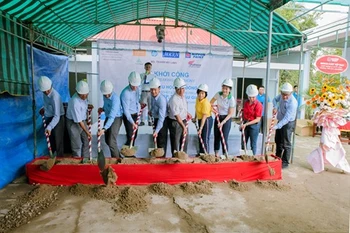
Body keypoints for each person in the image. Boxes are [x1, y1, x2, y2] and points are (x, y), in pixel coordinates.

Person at [38, 76, 65, 157]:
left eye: (48, 90)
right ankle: (53, 158)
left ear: (51, 86)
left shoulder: (55, 96)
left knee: (58, 140)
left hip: (58, 118)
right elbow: (47, 105)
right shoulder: (45, 93)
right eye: (44, 91)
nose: (46, 92)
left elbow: (57, 116)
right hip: (50, 117)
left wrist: (49, 127)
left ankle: (60, 159)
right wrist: (43, 109)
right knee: (51, 140)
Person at [272, 82, 298, 169]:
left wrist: (276, 126)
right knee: (278, 140)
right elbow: (274, 100)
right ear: (281, 92)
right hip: (280, 120)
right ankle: (277, 157)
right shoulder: (280, 96)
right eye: (283, 95)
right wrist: (275, 107)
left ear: (291, 93)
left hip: (288, 123)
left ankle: (285, 162)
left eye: (287, 95)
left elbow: (287, 119)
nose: (285, 97)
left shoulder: (293, 103)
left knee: (286, 142)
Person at [66, 80, 93, 158]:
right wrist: (87, 132)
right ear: (79, 93)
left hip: (82, 120)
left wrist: (88, 106)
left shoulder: (84, 98)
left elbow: (84, 107)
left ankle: (85, 159)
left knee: (87, 141)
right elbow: (79, 121)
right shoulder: (75, 102)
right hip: (73, 123)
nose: (85, 96)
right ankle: (77, 161)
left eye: (86, 94)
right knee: (77, 145)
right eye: (83, 95)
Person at [97, 80, 123, 158]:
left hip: (116, 118)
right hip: (108, 117)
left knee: (111, 141)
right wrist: (103, 109)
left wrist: (104, 129)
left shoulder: (116, 99)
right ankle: (119, 157)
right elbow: (106, 105)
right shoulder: (105, 95)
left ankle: (116, 160)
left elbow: (112, 116)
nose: (107, 96)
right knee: (107, 140)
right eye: (105, 94)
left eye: (108, 94)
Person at [210, 78, 236, 158]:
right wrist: (214, 111)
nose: (224, 90)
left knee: (224, 137)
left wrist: (223, 122)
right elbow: (210, 103)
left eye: (226, 88)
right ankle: (216, 154)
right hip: (218, 116)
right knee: (216, 136)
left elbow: (230, 113)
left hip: (226, 119)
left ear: (230, 90)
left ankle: (225, 155)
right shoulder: (218, 94)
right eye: (223, 88)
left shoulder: (231, 99)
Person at [167, 77, 192, 157]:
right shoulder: (173, 99)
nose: (182, 91)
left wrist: (187, 113)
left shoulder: (183, 96)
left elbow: (182, 109)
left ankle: (183, 156)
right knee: (175, 141)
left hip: (183, 120)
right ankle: (175, 158)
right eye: (179, 89)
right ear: (175, 89)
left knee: (185, 140)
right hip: (176, 123)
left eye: (183, 88)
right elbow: (177, 115)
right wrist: (183, 127)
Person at [120, 71, 143, 146]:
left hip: (135, 114)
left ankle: (130, 151)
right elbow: (126, 111)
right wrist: (132, 123)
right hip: (128, 116)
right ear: (129, 82)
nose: (135, 87)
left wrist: (139, 108)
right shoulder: (125, 93)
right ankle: (127, 153)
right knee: (130, 136)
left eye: (136, 86)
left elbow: (136, 101)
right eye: (133, 86)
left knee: (134, 135)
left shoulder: (137, 89)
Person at [241, 84, 263, 155]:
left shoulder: (258, 105)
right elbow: (244, 112)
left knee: (253, 143)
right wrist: (240, 110)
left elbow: (257, 119)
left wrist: (246, 124)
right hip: (245, 122)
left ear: (256, 96)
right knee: (243, 142)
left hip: (254, 125)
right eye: (250, 97)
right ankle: (243, 156)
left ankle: (252, 157)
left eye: (253, 97)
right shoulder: (246, 102)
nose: (251, 99)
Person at [192, 84, 213, 155]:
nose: (200, 95)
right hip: (200, 119)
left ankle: (206, 154)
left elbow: (204, 116)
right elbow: (196, 109)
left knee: (205, 138)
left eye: (202, 93)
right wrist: (195, 118)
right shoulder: (197, 99)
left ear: (205, 94)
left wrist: (200, 128)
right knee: (200, 137)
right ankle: (201, 153)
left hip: (207, 120)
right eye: (199, 93)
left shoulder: (206, 103)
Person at [149, 78, 168, 155]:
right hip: (156, 119)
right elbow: (153, 108)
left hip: (163, 121)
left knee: (161, 140)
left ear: (159, 89)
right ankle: (157, 158)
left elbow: (161, 118)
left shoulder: (161, 100)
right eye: (151, 89)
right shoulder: (152, 97)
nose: (153, 91)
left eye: (155, 89)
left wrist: (156, 131)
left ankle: (162, 159)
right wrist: (151, 112)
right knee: (156, 139)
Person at [140, 62, 155, 126]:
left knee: (150, 107)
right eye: (146, 67)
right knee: (143, 107)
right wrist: (145, 76)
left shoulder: (153, 76)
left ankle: (150, 121)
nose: (148, 68)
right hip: (144, 92)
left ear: (151, 68)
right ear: (144, 67)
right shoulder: (142, 75)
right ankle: (142, 121)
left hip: (150, 92)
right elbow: (140, 82)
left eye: (149, 67)